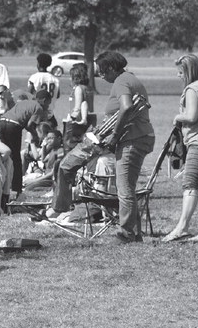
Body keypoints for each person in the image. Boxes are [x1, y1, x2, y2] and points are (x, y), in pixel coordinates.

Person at [49, 52, 154, 243]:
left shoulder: (122, 81)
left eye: (102, 72)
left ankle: (127, 234)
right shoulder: (129, 78)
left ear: (112, 68)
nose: (101, 76)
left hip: (132, 139)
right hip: (136, 138)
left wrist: (114, 136)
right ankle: (134, 233)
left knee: (124, 189)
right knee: (126, 187)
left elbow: (127, 107)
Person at [163, 54, 198, 242]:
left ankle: (182, 228)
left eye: (180, 72)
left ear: (189, 71)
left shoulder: (193, 89)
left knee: (190, 183)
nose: (178, 76)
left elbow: (191, 116)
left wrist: (178, 117)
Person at [0, 89, 51, 199]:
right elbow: (30, 124)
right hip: (13, 126)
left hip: (2, 123)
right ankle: (16, 189)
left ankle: (2, 185)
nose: (48, 106)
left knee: (5, 156)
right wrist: (35, 135)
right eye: (48, 103)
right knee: (16, 159)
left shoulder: (25, 102)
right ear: (44, 101)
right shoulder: (39, 108)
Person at [62, 63, 95, 152]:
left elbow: (77, 107)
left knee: (68, 149)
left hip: (76, 123)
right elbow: (89, 107)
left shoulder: (78, 89)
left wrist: (70, 118)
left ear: (75, 78)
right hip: (89, 121)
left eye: (71, 76)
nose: (70, 79)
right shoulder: (89, 88)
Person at [27, 53, 60, 128]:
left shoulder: (34, 78)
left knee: (35, 136)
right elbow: (57, 95)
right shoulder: (55, 79)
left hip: (37, 113)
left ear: (38, 64)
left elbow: (28, 94)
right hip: (50, 114)